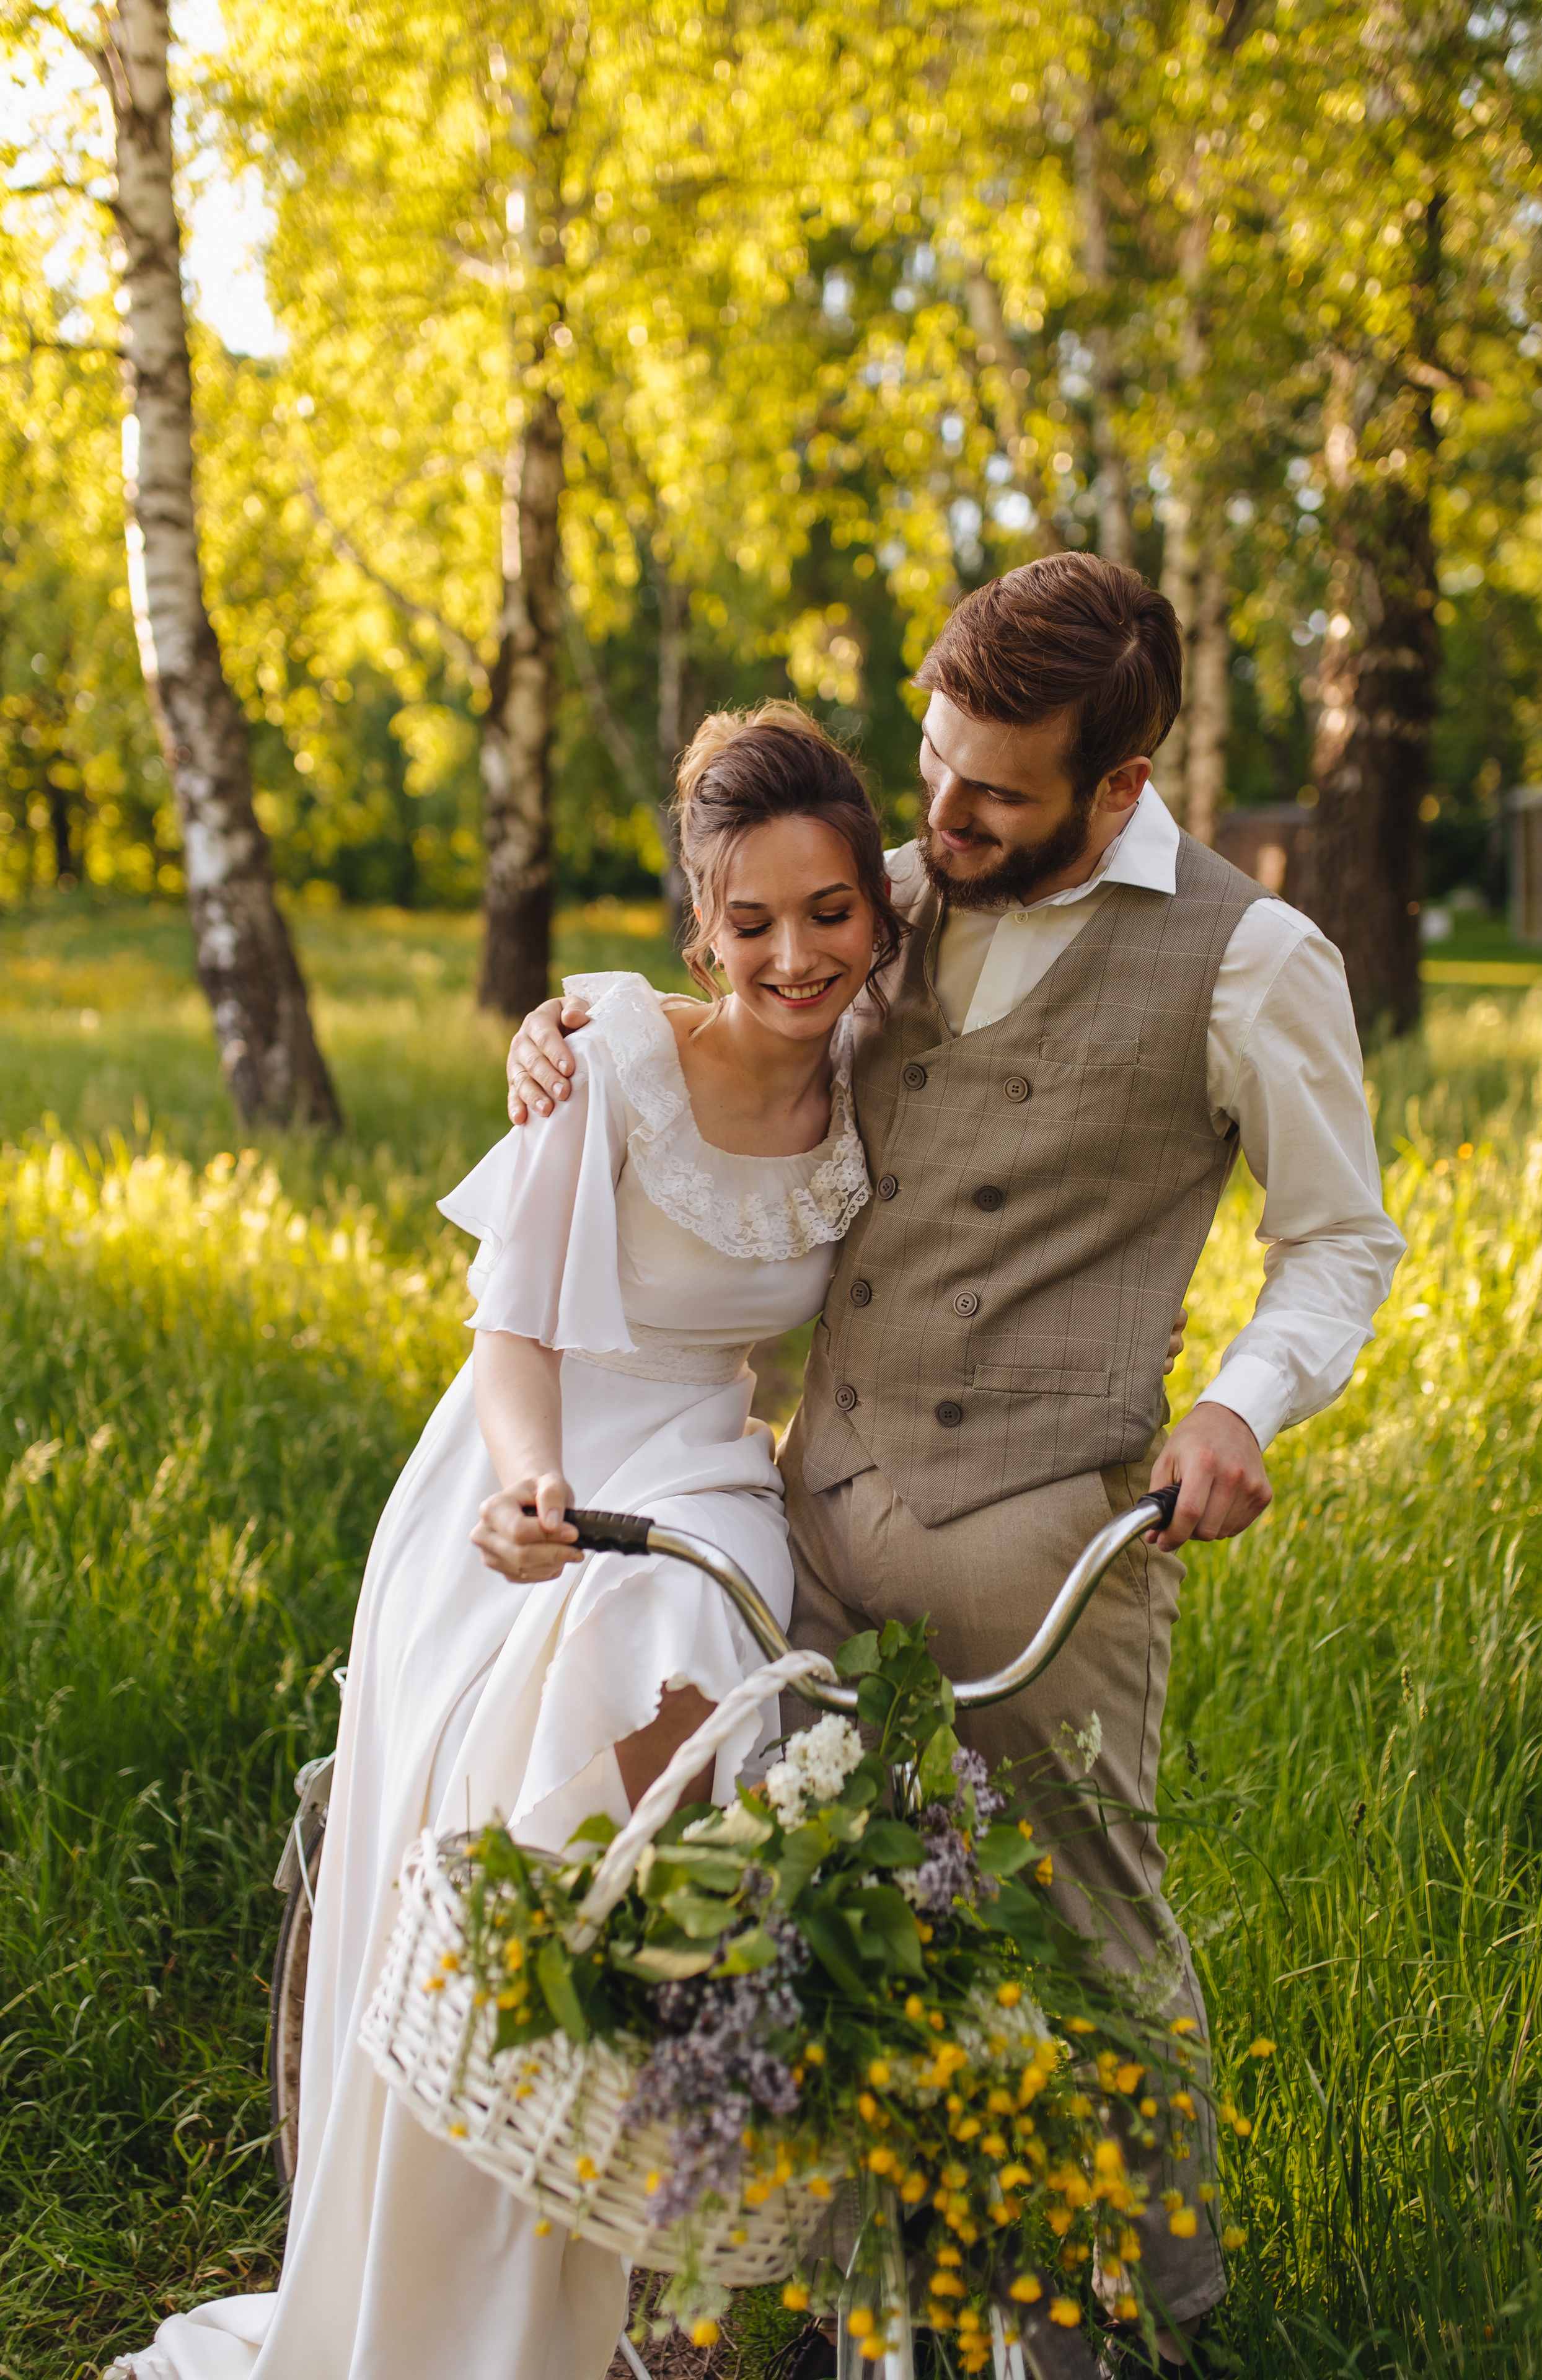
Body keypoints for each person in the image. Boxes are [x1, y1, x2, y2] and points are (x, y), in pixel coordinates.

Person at [508, 554, 1405, 2374]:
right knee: (792, 1897)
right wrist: (571, 1028)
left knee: (1081, 1918)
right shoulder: (900, 896)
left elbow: (1340, 1240)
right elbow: (739, 983)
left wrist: (1241, 1405)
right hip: (814, 1501)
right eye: (933, 761)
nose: (942, 813)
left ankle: (1142, 2319)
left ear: (1120, 786)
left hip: (1043, 1535)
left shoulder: (1252, 959)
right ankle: (829, 2295)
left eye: (995, 790)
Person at [110, 705, 904, 2380]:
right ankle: (485, 2108)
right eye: (751, 921)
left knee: (690, 1663)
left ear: (876, 906)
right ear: (701, 926)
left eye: (831, 912)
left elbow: (974, 868)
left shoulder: (879, 1054)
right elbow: (512, 1328)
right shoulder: (607, 1055)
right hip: (532, 1459)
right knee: (536, 1709)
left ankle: (629, 2112)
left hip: (711, 1459)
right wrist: (531, 1492)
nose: (795, 955)